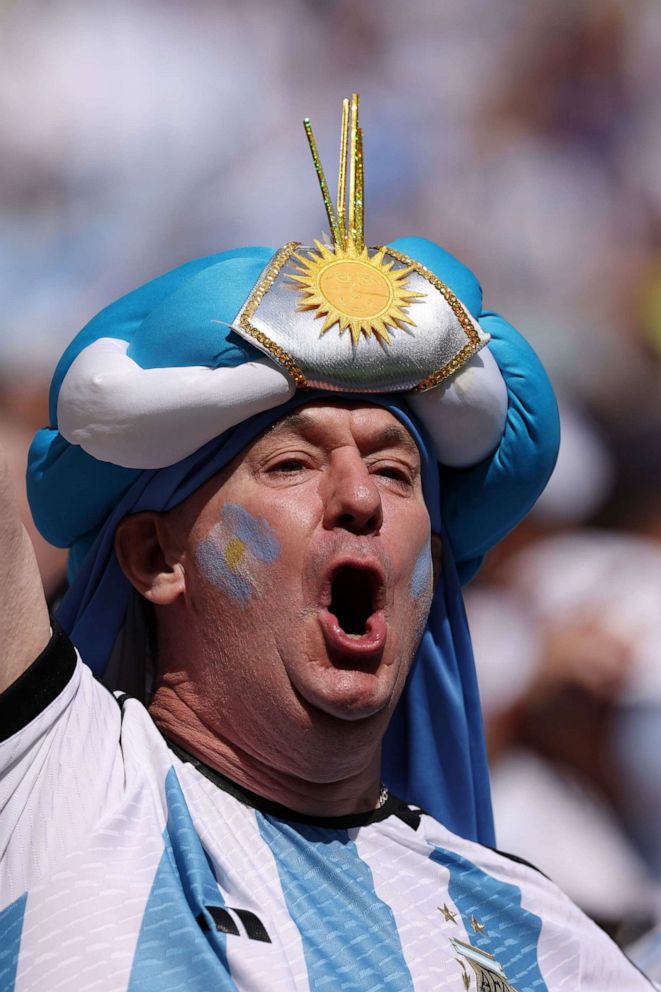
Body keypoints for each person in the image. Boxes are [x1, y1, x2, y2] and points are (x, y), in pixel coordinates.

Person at [0, 96, 654, 991]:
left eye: (395, 472)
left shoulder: (547, 941)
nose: (357, 498)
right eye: (289, 466)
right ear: (156, 557)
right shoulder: (51, 779)